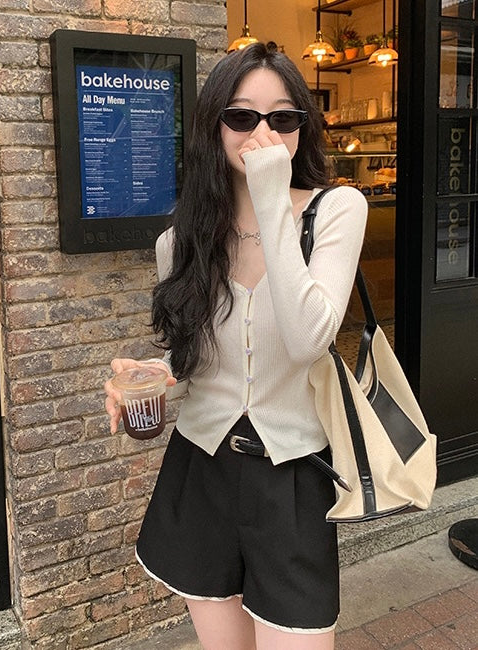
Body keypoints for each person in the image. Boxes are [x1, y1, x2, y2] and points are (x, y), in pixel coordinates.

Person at [104, 42, 367, 650]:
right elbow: (194, 360)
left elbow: (307, 340)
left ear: (303, 127)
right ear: (214, 126)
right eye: (243, 116)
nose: (263, 134)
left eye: (284, 118)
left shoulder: (335, 211)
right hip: (202, 470)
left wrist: (272, 195)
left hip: (293, 477)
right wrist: (155, 373)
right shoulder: (183, 240)